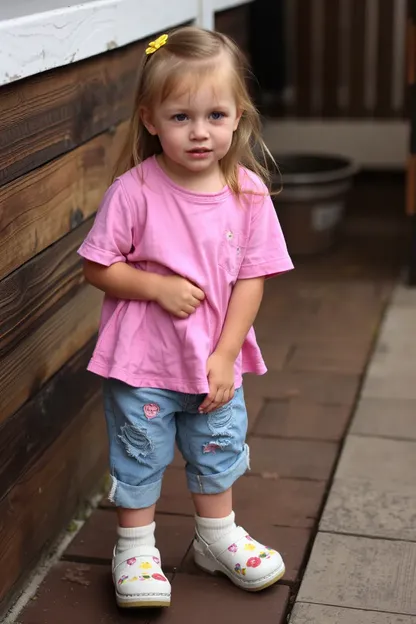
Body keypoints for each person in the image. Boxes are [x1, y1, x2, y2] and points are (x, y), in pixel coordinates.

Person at [78, 26, 293, 609]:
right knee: (140, 451)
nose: (200, 131)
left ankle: (215, 538)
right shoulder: (135, 191)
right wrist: (155, 287)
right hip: (142, 360)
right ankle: (135, 546)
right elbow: (98, 267)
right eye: (180, 117)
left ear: (238, 117)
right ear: (150, 119)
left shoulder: (246, 193)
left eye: (215, 114)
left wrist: (226, 353)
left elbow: (253, 279)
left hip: (213, 359)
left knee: (217, 449)